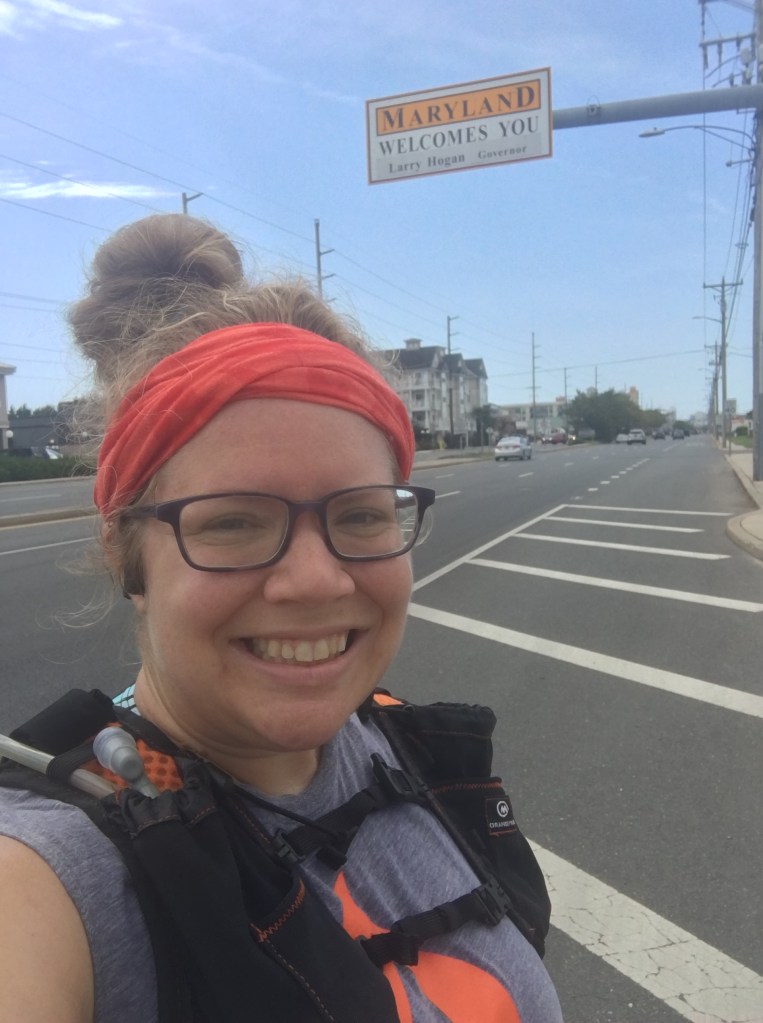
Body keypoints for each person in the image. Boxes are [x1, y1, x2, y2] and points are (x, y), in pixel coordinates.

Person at [0, 214, 563, 1023]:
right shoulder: (54, 873)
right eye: (233, 521)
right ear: (127, 556)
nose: (315, 579)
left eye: (361, 515)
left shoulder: (407, 749)